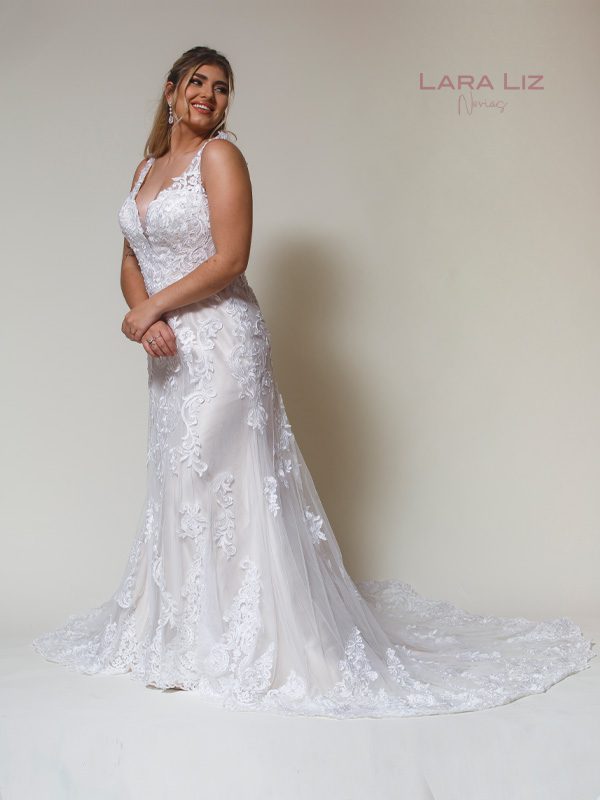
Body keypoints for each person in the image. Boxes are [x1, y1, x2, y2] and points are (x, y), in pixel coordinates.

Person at [32, 46, 597, 719]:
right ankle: (183, 634)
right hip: (169, 351)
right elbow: (133, 256)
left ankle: (244, 642)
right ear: (171, 89)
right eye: (198, 82)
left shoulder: (221, 157)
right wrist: (142, 315)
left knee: (221, 479)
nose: (209, 94)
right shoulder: (146, 168)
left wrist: (154, 308)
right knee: (179, 482)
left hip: (221, 342)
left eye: (222, 87)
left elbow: (231, 258)